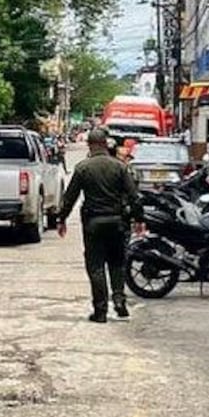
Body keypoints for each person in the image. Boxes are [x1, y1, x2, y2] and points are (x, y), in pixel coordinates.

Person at [58, 127, 145, 323]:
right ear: (106, 144)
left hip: (93, 223)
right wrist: (139, 219)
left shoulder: (83, 168)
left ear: (89, 145)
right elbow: (134, 196)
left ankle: (100, 311)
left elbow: (70, 197)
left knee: (96, 266)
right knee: (117, 263)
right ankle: (119, 300)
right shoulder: (120, 167)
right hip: (117, 222)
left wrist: (62, 219)